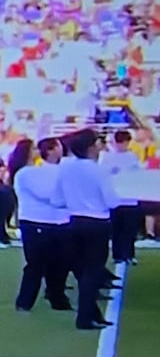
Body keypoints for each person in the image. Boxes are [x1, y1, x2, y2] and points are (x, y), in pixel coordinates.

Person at [55, 129, 119, 330]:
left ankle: (92, 313)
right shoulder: (98, 170)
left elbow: (56, 199)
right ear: (91, 147)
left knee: (83, 271)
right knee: (93, 270)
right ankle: (85, 317)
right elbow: (111, 200)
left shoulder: (66, 169)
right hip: (97, 222)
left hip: (74, 221)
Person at [9, 137, 71, 312]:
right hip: (35, 222)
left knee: (59, 264)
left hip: (56, 222)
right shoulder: (25, 174)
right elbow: (48, 195)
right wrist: (67, 199)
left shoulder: (53, 170)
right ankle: (24, 301)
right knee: (36, 264)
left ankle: (57, 298)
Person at [101, 129, 141, 265]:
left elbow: (138, 175)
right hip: (115, 198)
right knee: (117, 229)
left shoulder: (132, 157)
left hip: (130, 199)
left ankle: (129, 254)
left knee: (129, 229)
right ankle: (118, 255)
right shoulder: (107, 157)